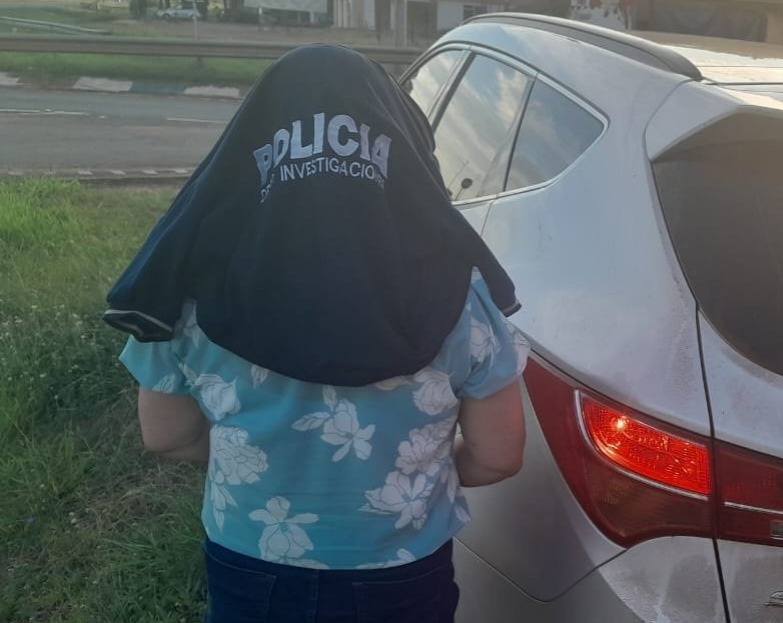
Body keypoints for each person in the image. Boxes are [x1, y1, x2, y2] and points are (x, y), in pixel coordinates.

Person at [103, 45, 529, 623]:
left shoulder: (191, 290)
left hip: (250, 562)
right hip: (403, 570)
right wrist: (415, 475)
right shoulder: (461, 293)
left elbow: (166, 437)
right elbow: (499, 456)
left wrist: (253, 463)